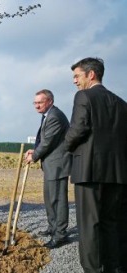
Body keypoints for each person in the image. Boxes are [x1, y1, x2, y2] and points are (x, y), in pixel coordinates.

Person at [64, 57, 127, 273]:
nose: (74, 81)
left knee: (89, 225)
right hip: (117, 173)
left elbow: (78, 129)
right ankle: (115, 266)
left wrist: (65, 146)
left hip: (89, 171)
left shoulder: (84, 96)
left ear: (91, 75)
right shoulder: (121, 103)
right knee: (112, 222)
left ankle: (93, 269)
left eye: (77, 76)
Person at [24, 89, 72, 249]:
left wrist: (34, 156)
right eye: (35, 103)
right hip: (51, 164)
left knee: (58, 200)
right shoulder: (47, 116)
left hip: (58, 165)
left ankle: (60, 235)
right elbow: (43, 139)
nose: (36, 106)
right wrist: (34, 149)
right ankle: (53, 228)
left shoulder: (55, 117)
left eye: (40, 102)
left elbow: (48, 142)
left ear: (50, 101)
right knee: (49, 199)